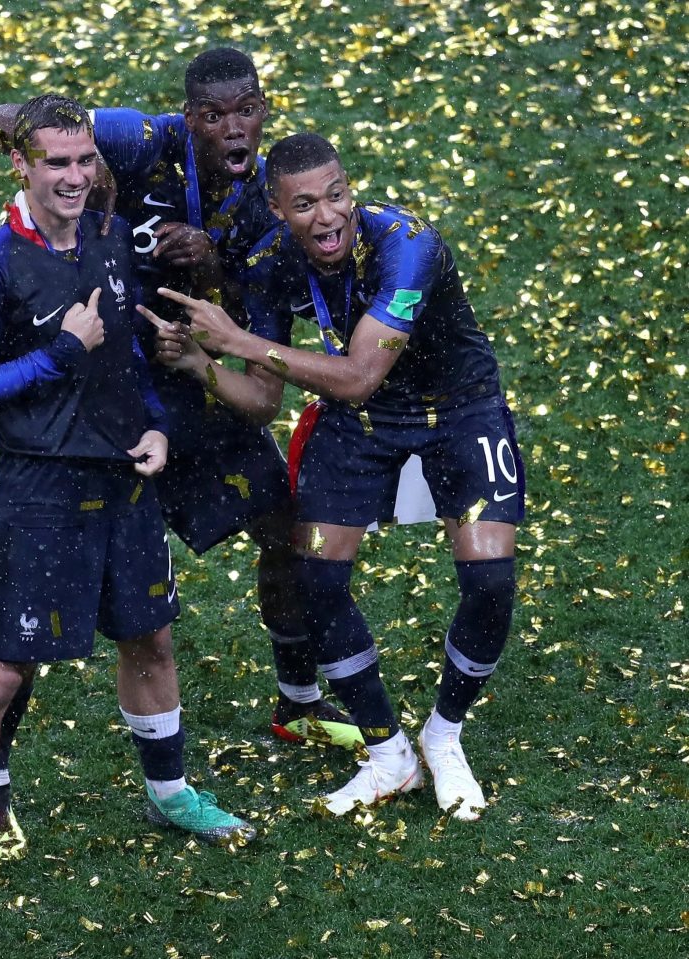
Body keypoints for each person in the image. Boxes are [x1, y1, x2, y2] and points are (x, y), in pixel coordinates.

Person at [0, 50, 362, 861]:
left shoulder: (271, 209)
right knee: (39, 607)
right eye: (211, 115)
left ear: (263, 110)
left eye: (243, 110)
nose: (230, 127)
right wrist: (59, 162)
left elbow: (261, 380)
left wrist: (214, 278)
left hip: (186, 395)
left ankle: (295, 697)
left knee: (284, 529)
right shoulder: (141, 142)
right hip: (97, 403)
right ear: (188, 119)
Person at [0, 94, 255, 929]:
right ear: (22, 165)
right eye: (57, 163)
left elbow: (129, 353)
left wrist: (150, 420)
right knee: (0, 670)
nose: (75, 177)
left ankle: (171, 792)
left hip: (125, 480)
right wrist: (60, 353)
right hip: (39, 490)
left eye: (85, 161)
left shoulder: (109, 239)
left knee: (151, 638)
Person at [141, 133, 524, 822]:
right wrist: (201, 366)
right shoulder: (268, 263)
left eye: (338, 195)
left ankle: (445, 734)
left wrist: (236, 341)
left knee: (491, 581)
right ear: (276, 209)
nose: (328, 217)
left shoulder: (408, 245)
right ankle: (388, 752)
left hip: (460, 413)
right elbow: (261, 401)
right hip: (362, 423)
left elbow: (358, 372)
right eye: (307, 204)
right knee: (312, 575)